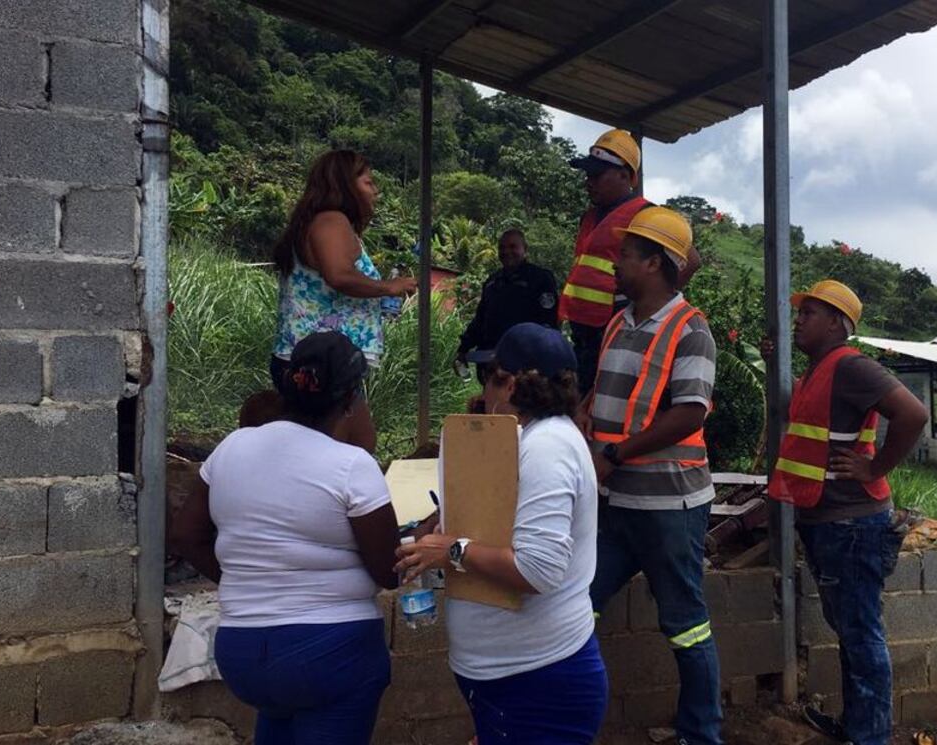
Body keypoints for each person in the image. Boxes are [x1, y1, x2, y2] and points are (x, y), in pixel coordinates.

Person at [171, 331, 401, 745]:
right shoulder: (352, 466)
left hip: (243, 651)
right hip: (329, 653)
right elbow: (390, 571)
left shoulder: (234, 446)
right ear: (351, 400)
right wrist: (425, 533)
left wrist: (248, 581)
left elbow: (186, 535)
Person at [396, 323, 607, 745]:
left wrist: (452, 550)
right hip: (513, 677)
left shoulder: (548, 447)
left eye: (487, 378)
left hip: (537, 679)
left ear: (508, 384)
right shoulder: (524, 440)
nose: (484, 392)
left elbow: (537, 571)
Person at [763, 280, 929, 745]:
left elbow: (913, 415)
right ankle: (859, 727)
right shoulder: (821, 371)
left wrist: (874, 466)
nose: (799, 320)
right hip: (830, 520)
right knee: (852, 631)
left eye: (809, 314)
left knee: (861, 635)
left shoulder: (853, 367)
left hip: (851, 524)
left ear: (837, 323)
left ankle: (870, 736)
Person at [584, 207, 722, 745]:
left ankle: (701, 734)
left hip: (669, 506)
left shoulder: (692, 331)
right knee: (578, 605)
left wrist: (614, 455)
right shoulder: (620, 322)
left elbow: (689, 413)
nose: (616, 262)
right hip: (617, 502)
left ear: (654, 263)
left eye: (626, 254)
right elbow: (606, 394)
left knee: (686, 623)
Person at [266, 149, 417, 452]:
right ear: (345, 184)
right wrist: (390, 286)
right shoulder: (331, 221)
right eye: (368, 182)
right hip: (322, 365)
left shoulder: (320, 222)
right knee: (349, 448)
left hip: (318, 360)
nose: (375, 190)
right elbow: (338, 275)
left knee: (320, 451)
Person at [561, 129, 703, 395]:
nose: (589, 182)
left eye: (597, 175)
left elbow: (691, 259)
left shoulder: (644, 214)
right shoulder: (589, 217)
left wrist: (648, 309)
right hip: (583, 332)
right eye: (587, 175)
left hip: (615, 328)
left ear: (626, 176)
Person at [456, 228, 559, 383]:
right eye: (502, 248)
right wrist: (463, 348)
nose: (507, 252)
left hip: (525, 366)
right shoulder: (492, 282)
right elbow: (480, 321)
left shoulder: (540, 279)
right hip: (491, 364)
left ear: (525, 249)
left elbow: (548, 323)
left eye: (513, 247)